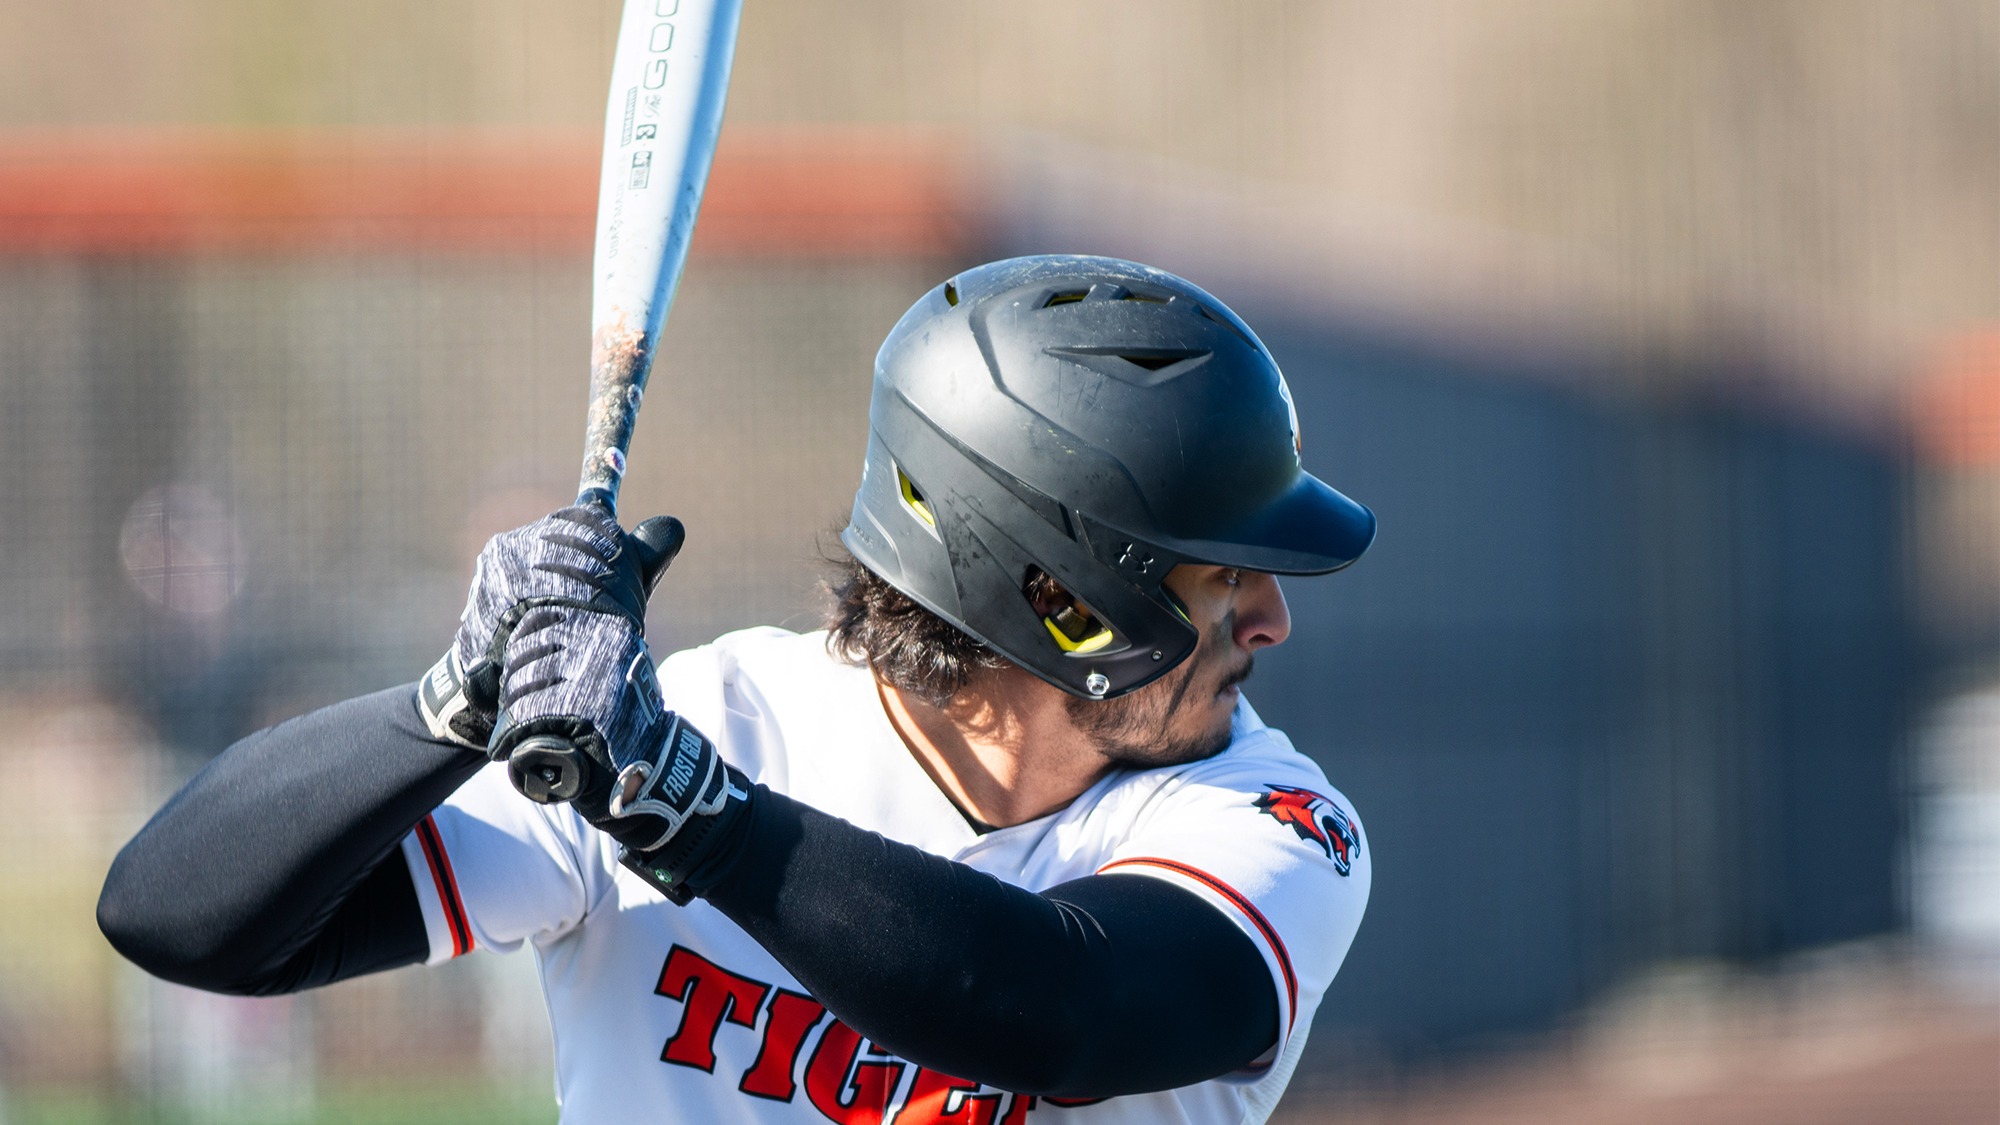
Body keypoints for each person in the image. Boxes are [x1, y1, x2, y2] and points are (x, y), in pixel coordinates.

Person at [98, 255, 1376, 1124]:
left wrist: (690, 814)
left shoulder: (1267, 821)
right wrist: (449, 701)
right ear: (1060, 594)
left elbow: (1067, 1012)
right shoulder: (712, 724)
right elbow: (180, 920)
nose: (1267, 620)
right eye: (1221, 581)